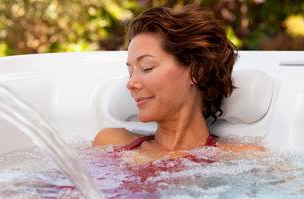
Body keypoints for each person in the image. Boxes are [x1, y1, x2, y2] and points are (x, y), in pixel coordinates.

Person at [93, 5, 261, 163]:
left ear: (197, 72)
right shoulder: (111, 143)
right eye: (130, 72)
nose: (131, 83)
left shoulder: (241, 158)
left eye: (147, 67)